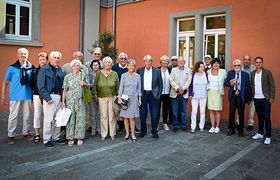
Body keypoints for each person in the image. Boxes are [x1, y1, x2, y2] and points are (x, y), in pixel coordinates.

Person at [1, 48, 35, 145]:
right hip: (15, 95)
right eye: (21, 54)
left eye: (25, 54)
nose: (23, 55)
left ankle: (26, 133)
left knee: (27, 116)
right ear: (18, 55)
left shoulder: (32, 67)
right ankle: (11, 135)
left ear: (28, 55)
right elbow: (6, 82)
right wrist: (3, 95)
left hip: (28, 95)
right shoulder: (12, 68)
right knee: (13, 116)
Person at [37, 51, 65, 148]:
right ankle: (47, 139)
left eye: (58, 58)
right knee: (48, 119)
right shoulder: (44, 69)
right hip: (50, 97)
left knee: (58, 118)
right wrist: (47, 98)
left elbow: (63, 86)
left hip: (59, 96)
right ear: (50, 58)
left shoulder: (60, 70)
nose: (56, 59)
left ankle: (56, 137)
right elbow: (40, 86)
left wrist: (62, 100)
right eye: (55, 57)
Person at [61, 59, 89, 146]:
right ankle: (71, 138)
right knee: (71, 119)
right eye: (74, 65)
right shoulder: (67, 77)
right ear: (71, 67)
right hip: (70, 101)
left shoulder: (83, 75)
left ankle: (79, 137)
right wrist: (63, 102)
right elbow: (65, 90)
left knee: (80, 118)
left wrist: (84, 84)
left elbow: (89, 86)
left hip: (80, 100)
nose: (76, 67)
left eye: (78, 66)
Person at [93, 56, 119, 141]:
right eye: (106, 62)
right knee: (103, 116)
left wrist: (118, 96)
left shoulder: (114, 73)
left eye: (109, 62)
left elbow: (118, 87)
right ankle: (103, 134)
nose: (107, 64)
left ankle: (112, 134)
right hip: (101, 97)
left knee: (112, 116)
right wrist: (96, 95)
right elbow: (95, 86)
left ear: (111, 64)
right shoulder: (99, 73)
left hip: (112, 97)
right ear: (103, 64)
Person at [137, 55, 163, 138]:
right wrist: (138, 96)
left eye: (149, 61)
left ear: (152, 62)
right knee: (143, 114)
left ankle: (154, 131)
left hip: (153, 94)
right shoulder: (139, 70)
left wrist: (158, 95)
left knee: (154, 114)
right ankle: (143, 131)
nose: (148, 63)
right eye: (146, 61)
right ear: (144, 62)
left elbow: (160, 84)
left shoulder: (157, 71)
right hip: (143, 94)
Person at [225, 59, 252, 137]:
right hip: (233, 95)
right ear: (233, 66)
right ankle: (231, 129)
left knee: (241, 113)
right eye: (235, 65)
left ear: (241, 66)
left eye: (238, 65)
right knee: (231, 113)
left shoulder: (245, 74)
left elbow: (248, 86)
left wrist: (249, 98)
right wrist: (231, 84)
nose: (237, 66)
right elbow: (226, 83)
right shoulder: (230, 73)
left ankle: (241, 130)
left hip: (241, 95)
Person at [251, 56, 275, 145]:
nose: (258, 64)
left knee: (267, 117)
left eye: (260, 62)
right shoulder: (252, 73)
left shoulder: (267, 73)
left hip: (265, 99)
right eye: (257, 62)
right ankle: (260, 133)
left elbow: (272, 85)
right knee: (260, 116)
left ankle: (268, 136)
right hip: (256, 98)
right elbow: (251, 86)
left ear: (262, 63)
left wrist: (272, 97)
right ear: (255, 63)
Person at [118, 59, 142, 141]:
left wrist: (140, 99)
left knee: (131, 118)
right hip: (125, 99)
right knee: (125, 118)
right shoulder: (123, 75)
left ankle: (132, 134)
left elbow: (139, 89)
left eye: (133, 66)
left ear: (135, 67)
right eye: (130, 65)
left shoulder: (138, 76)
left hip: (134, 99)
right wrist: (119, 98)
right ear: (127, 66)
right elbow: (121, 88)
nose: (131, 67)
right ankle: (127, 133)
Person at [169, 56, 192, 132]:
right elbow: (171, 80)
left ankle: (183, 125)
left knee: (183, 111)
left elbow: (189, 81)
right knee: (175, 111)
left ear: (184, 62)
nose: (180, 63)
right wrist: (178, 88)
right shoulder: (173, 70)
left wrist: (183, 88)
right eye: (179, 61)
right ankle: (175, 125)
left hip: (184, 94)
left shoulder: (188, 70)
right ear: (177, 62)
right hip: (175, 93)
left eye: (182, 61)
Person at [30, 52, 48, 143]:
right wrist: (31, 98)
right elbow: (31, 85)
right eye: (40, 59)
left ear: (46, 60)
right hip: (37, 95)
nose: (42, 61)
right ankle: (37, 134)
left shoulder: (50, 70)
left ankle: (47, 133)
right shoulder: (34, 71)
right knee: (37, 115)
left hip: (47, 96)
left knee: (47, 116)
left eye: (43, 59)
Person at [235, 55, 256, 131]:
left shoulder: (254, 68)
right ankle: (238, 122)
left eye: (248, 59)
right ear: (243, 60)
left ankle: (250, 123)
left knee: (252, 108)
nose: (246, 61)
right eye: (245, 59)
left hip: (252, 90)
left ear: (250, 60)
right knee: (240, 107)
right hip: (242, 90)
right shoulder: (239, 67)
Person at [207, 58, 226, 134]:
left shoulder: (223, 72)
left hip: (218, 92)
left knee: (217, 110)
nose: (216, 64)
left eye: (217, 63)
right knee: (211, 110)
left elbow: (226, 80)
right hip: (210, 92)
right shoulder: (208, 72)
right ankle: (212, 126)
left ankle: (217, 126)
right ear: (212, 64)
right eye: (214, 63)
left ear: (219, 64)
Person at [189, 61, 208, 133]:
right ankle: (193, 126)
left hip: (203, 95)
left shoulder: (206, 74)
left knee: (202, 112)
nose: (202, 68)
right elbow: (191, 85)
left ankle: (201, 126)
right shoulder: (193, 74)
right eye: (201, 67)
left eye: (203, 66)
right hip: (194, 96)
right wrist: (190, 94)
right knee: (194, 111)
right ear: (197, 67)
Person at [112, 52, 128, 134]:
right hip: (116, 92)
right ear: (119, 59)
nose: (123, 60)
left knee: (127, 109)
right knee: (117, 110)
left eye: (125, 58)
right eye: (121, 58)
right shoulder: (114, 67)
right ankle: (121, 126)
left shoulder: (129, 67)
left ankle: (129, 126)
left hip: (127, 93)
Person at [158, 55, 172, 130]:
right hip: (159, 93)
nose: (165, 62)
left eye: (166, 61)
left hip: (167, 93)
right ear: (161, 62)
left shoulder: (170, 70)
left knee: (165, 109)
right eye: (163, 61)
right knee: (157, 108)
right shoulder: (157, 70)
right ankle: (156, 123)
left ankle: (164, 123)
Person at [89, 60, 101, 136]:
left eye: (97, 65)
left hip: (100, 96)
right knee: (93, 114)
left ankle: (99, 129)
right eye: (94, 65)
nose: (95, 66)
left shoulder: (101, 74)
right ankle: (93, 129)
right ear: (91, 66)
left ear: (99, 66)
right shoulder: (89, 75)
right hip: (91, 96)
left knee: (99, 113)